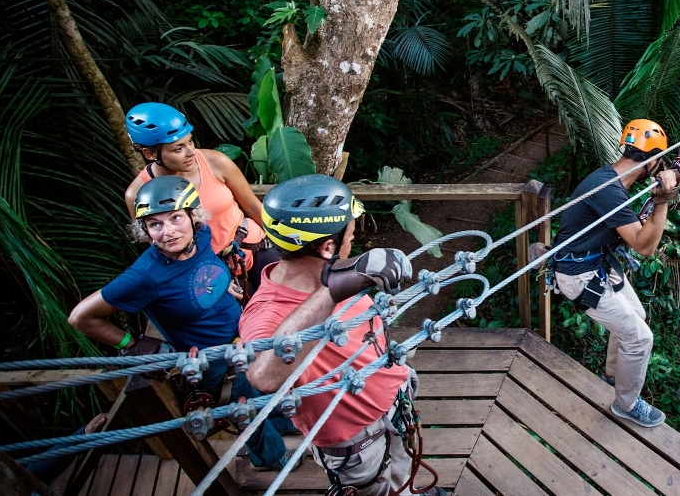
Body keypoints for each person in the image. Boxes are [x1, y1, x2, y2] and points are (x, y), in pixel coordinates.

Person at [68, 176, 290, 469]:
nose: (169, 232)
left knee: (266, 388)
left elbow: (202, 271)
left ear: (193, 216)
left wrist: (221, 285)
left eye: (175, 218)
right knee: (243, 407)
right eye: (155, 225)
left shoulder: (202, 235)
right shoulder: (145, 275)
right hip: (213, 359)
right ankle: (273, 460)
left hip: (242, 332)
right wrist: (132, 343)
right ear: (144, 230)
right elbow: (80, 317)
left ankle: (283, 424)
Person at [241, 174, 443, 496]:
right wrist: (331, 292)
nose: (353, 242)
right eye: (349, 235)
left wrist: (396, 373)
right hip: (354, 442)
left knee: (402, 471)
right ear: (327, 247)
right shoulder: (268, 311)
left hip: (393, 405)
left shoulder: (333, 271)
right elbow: (263, 376)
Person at [544, 119, 680, 428]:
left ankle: (612, 374)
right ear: (653, 160)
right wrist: (663, 201)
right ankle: (626, 403)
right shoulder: (609, 191)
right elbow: (645, 246)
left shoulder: (609, 178)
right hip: (579, 276)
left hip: (596, 267)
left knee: (638, 319)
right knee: (641, 339)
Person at [123, 102, 277, 297]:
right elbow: (163, 248)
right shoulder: (139, 194)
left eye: (190, 142)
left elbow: (255, 208)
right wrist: (207, 278)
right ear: (150, 153)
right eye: (178, 149)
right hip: (208, 270)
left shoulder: (215, 162)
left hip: (255, 246)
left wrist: (290, 246)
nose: (191, 153)